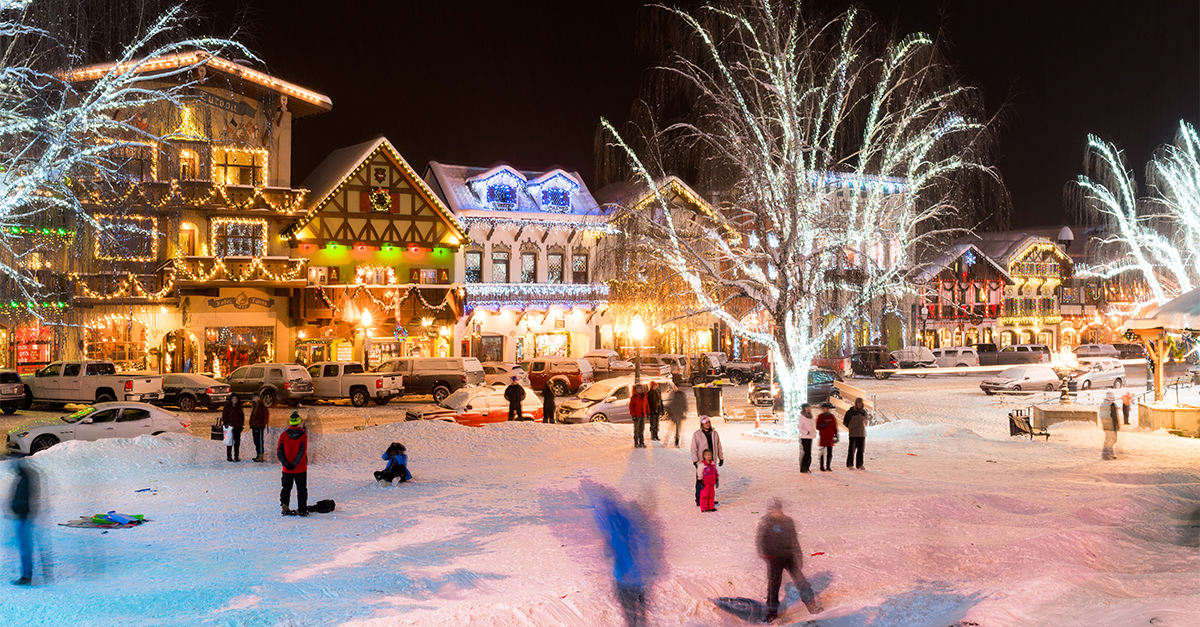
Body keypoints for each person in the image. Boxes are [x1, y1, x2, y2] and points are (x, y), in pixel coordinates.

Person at [756, 498, 822, 621]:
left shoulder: (787, 521)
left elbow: (794, 539)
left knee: (801, 582)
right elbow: (760, 541)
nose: (775, 512)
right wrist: (766, 555)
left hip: (789, 556)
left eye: (777, 509)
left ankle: (812, 607)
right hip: (774, 559)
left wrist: (799, 556)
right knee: (773, 587)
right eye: (772, 510)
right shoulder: (765, 522)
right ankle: (771, 613)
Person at [594, 496, 647, 627]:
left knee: (631, 614)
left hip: (623, 579)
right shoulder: (631, 527)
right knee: (641, 610)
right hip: (639, 577)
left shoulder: (611, 535)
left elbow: (606, 555)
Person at [10, 459, 37, 586]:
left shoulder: (24, 481)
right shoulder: (24, 479)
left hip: (23, 517)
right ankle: (26, 575)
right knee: (24, 546)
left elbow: (23, 500)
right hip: (22, 517)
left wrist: (15, 506)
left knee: (25, 546)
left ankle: (27, 576)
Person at [278, 411, 309, 516]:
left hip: (287, 469)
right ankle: (302, 509)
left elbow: (279, 451)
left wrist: (286, 463)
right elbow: (302, 451)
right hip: (300, 468)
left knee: (286, 488)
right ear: (299, 422)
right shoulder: (303, 435)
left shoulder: (283, 435)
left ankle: (285, 508)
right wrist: (295, 464)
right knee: (301, 489)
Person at [690, 415, 724, 504]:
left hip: (711, 461)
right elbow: (694, 448)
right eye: (705, 423)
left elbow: (719, 446)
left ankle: (709, 499)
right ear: (701, 424)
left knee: (710, 481)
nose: (707, 424)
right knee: (700, 480)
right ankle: (699, 499)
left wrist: (721, 457)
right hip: (702, 462)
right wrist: (695, 461)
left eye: (708, 422)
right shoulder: (697, 434)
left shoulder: (715, 433)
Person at [843, 397, 868, 470]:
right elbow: (845, 422)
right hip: (853, 434)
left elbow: (865, 421)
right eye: (858, 403)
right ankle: (850, 464)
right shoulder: (850, 412)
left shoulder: (864, 412)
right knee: (851, 449)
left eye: (860, 403)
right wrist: (851, 427)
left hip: (861, 433)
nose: (859, 405)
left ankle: (859, 464)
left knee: (861, 450)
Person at [221, 393, 245, 462]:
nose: (234, 400)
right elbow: (224, 416)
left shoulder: (239, 407)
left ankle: (236, 457)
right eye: (233, 399)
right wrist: (226, 423)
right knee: (229, 442)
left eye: (236, 399)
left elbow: (241, 416)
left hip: (237, 427)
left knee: (237, 442)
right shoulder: (227, 407)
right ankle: (229, 457)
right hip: (230, 427)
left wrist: (241, 424)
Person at [248, 392, 270, 463]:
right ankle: (258, 454)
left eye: (257, 397)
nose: (255, 398)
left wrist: (256, 423)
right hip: (255, 425)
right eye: (254, 397)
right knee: (256, 440)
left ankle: (260, 455)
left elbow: (261, 416)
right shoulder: (255, 405)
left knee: (259, 441)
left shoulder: (260, 405)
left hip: (259, 426)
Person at [816, 402, 838, 472]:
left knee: (829, 452)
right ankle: (821, 466)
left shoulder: (831, 416)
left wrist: (836, 435)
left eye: (827, 408)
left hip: (830, 437)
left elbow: (834, 426)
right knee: (822, 452)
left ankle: (828, 466)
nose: (826, 409)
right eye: (825, 408)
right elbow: (817, 426)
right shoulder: (820, 416)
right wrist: (824, 425)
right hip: (823, 437)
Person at [1101, 391, 1120, 460]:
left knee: (1113, 440)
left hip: (1113, 425)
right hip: (1109, 426)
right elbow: (1103, 416)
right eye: (1112, 397)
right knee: (1108, 440)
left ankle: (1110, 453)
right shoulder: (1105, 405)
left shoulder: (1113, 405)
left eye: (1113, 397)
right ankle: (1106, 454)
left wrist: (1117, 425)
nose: (1113, 398)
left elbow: (1116, 416)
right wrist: (1107, 425)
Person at [630, 384, 650, 448]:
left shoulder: (644, 396)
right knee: (636, 430)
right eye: (640, 388)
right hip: (637, 415)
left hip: (643, 415)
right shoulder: (634, 397)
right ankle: (636, 442)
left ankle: (642, 442)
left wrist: (648, 412)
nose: (642, 389)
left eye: (642, 388)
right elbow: (631, 407)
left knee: (641, 429)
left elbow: (647, 405)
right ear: (637, 389)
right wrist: (633, 415)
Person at [798, 403, 815, 473]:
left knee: (809, 453)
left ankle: (807, 467)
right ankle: (803, 468)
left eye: (808, 408)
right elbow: (799, 427)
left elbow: (812, 426)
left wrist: (813, 432)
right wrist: (806, 432)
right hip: (805, 437)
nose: (808, 409)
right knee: (806, 453)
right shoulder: (802, 417)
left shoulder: (810, 417)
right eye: (806, 408)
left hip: (810, 437)